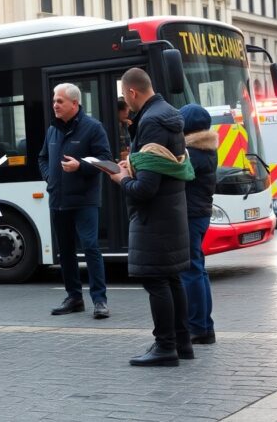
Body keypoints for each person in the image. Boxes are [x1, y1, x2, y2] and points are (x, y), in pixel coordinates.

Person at [108, 68, 193, 366]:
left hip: (154, 218)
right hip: (171, 213)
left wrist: (120, 177)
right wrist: (133, 163)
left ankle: (165, 346)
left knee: (156, 280)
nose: (125, 103)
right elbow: (159, 167)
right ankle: (183, 343)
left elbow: (145, 188)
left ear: (132, 92)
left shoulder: (152, 121)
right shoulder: (168, 113)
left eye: (125, 96)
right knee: (171, 279)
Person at [38, 83, 112, 319]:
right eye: (54, 101)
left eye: (59, 101)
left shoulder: (93, 128)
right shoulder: (53, 130)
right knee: (66, 252)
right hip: (58, 200)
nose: (55, 105)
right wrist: (50, 178)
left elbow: (106, 161)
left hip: (84, 201)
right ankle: (74, 298)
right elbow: (42, 158)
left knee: (90, 247)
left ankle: (100, 301)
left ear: (74, 103)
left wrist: (80, 166)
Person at [178, 104, 219, 345]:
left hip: (192, 215)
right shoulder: (206, 149)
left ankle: (199, 327)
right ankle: (204, 326)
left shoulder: (195, 153)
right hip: (200, 214)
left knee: (192, 270)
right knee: (198, 269)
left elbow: (178, 174)